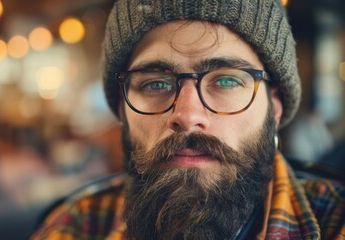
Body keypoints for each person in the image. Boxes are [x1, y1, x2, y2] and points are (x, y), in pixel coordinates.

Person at [32, 0, 345, 239]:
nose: (187, 115)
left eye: (226, 81)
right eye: (155, 83)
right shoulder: (75, 226)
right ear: (122, 111)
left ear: (274, 105)